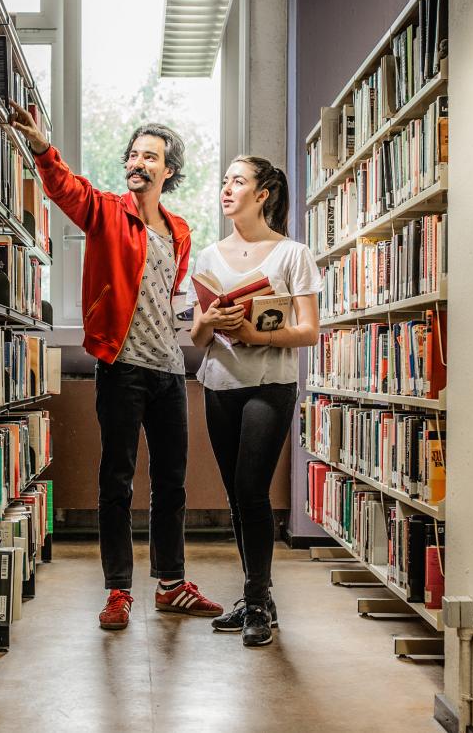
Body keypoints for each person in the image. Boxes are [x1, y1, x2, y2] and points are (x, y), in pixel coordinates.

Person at [6, 101, 224, 631]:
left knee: (172, 483)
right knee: (116, 482)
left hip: (170, 370)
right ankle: (118, 590)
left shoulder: (179, 229)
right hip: (121, 368)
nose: (137, 161)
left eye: (150, 156)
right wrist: (41, 145)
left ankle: (172, 584)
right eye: (132, 154)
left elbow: (168, 297)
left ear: (168, 169)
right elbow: (64, 189)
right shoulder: (105, 210)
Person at [190, 155, 322, 647]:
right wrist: (212, 323)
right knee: (236, 498)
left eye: (238, 181)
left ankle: (258, 599)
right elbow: (197, 338)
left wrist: (254, 334)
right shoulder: (207, 256)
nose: (227, 189)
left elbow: (308, 332)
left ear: (262, 194)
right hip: (219, 385)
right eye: (224, 180)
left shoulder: (292, 255)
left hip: (270, 387)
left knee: (251, 491)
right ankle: (254, 597)